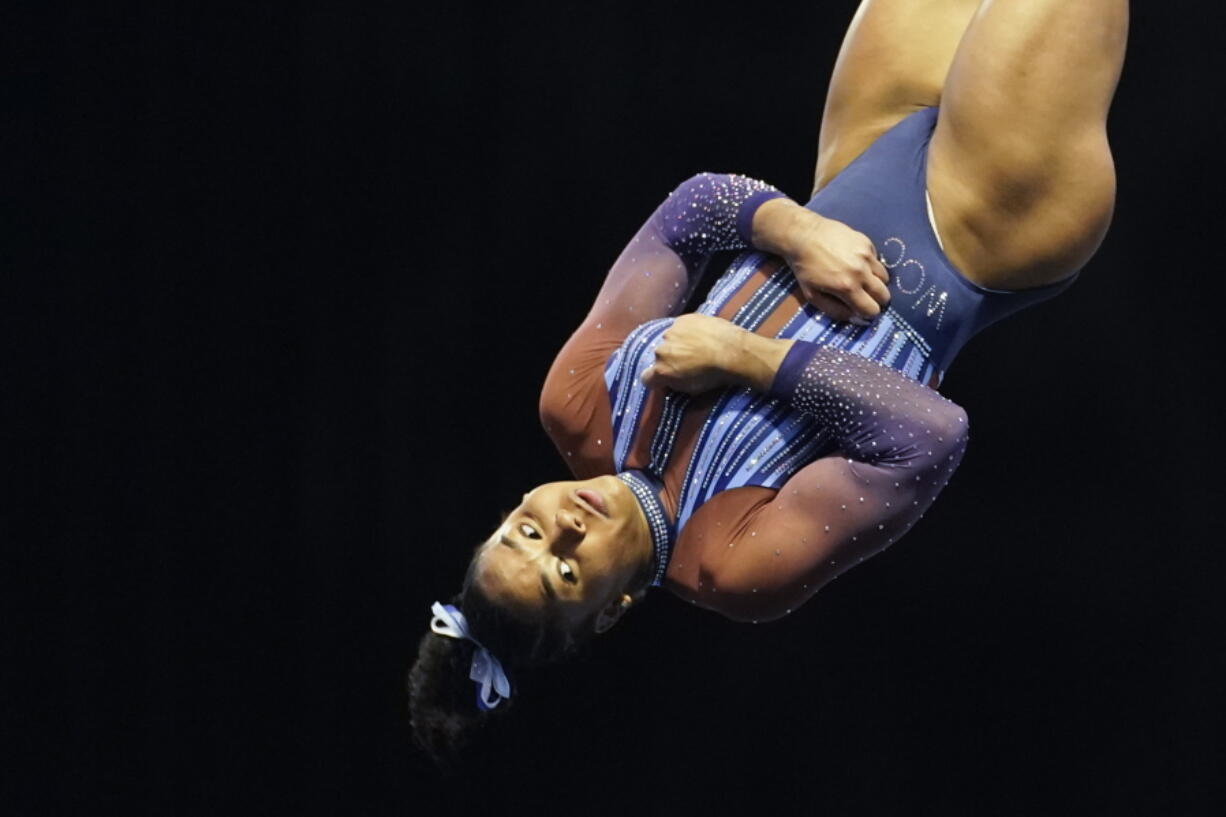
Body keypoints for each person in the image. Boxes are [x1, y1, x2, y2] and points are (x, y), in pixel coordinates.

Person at [409, 0, 1127, 765]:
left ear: (512, 509)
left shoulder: (577, 406)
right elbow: (931, 438)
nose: (564, 526)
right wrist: (745, 356)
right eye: (564, 570)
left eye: (526, 531)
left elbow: (689, 213)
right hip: (976, 231)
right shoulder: (732, 564)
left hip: (853, 161)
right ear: (609, 609)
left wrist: (796, 231)